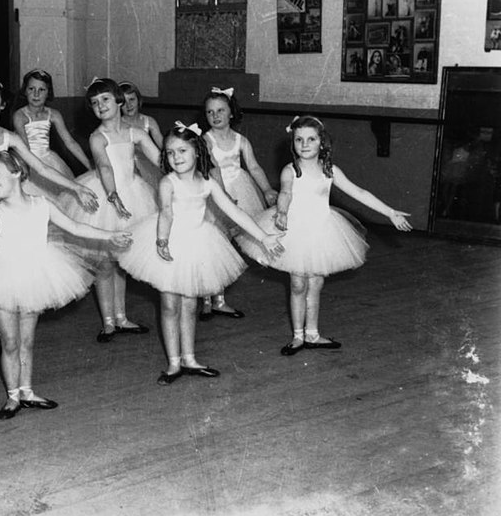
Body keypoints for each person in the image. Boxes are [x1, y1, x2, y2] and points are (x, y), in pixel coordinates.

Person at [0, 150, 132, 419]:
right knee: (9, 341)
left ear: (17, 172)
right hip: (3, 277)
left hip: (35, 275)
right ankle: (12, 396)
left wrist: (110, 235)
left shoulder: (43, 204)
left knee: (27, 340)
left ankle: (27, 391)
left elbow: (76, 227)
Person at [118, 123, 284, 384]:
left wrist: (263, 236)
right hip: (170, 242)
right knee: (170, 304)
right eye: (171, 153)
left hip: (198, 242)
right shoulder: (167, 182)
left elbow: (234, 211)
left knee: (189, 303)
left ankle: (190, 358)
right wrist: (162, 242)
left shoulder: (207, 182)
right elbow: (166, 213)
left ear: (197, 152)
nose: (177, 157)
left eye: (182, 150)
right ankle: (173, 363)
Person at [236, 116, 412, 355]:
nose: (305, 144)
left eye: (311, 139)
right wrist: (283, 212)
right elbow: (286, 192)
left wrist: (390, 213)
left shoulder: (330, 170)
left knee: (316, 283)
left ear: (322, 142)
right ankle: (298, 336)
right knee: (298, 283)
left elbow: (359, 192)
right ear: (293, 143)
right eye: (299, 139)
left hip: (321, 229)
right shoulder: (291, 169)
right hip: (294, 229)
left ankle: (313, 334)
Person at [0, 76, 98, 364]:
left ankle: (8, 337)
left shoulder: (10, 137)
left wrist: (75, 186)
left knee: (15, 272)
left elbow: (41, 167)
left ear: (3, 102)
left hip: (10, 198)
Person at [59, 77, 162, 343]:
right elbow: (104, 166)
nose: (100, 105)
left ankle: (122, 317)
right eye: (94, 103)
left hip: (134, 193)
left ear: (119, 100)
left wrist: (182, 166)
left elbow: (159, 158)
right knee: (104, 263)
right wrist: (113, 196)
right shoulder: (97, 136)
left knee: (121, 262)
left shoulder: (135, 132)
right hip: (106, 196)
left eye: (104, 99)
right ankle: (108, 322)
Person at [201, 86, 278, 320]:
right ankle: (206, 299)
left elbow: (253, 166)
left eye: (220, 110)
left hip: (241, 189)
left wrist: (266, 190)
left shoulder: (240, 140)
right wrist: (223, 196)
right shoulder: (206, 139)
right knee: (213, 245)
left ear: (231, 113)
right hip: (215, 192)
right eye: (210, 112)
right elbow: (212, 168)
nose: (215, 116)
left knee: (232, 243)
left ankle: (220, 301)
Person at [11, 68, 92, 196]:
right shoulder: (19, 115)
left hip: (50, 160)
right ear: (25, 91)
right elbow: (25, 148)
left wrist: (90, 166)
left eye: (41, 90)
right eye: (31, 89)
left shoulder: (53, 114)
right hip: (28, 160)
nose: (36, 94)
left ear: (49, 92)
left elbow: (70, 142)